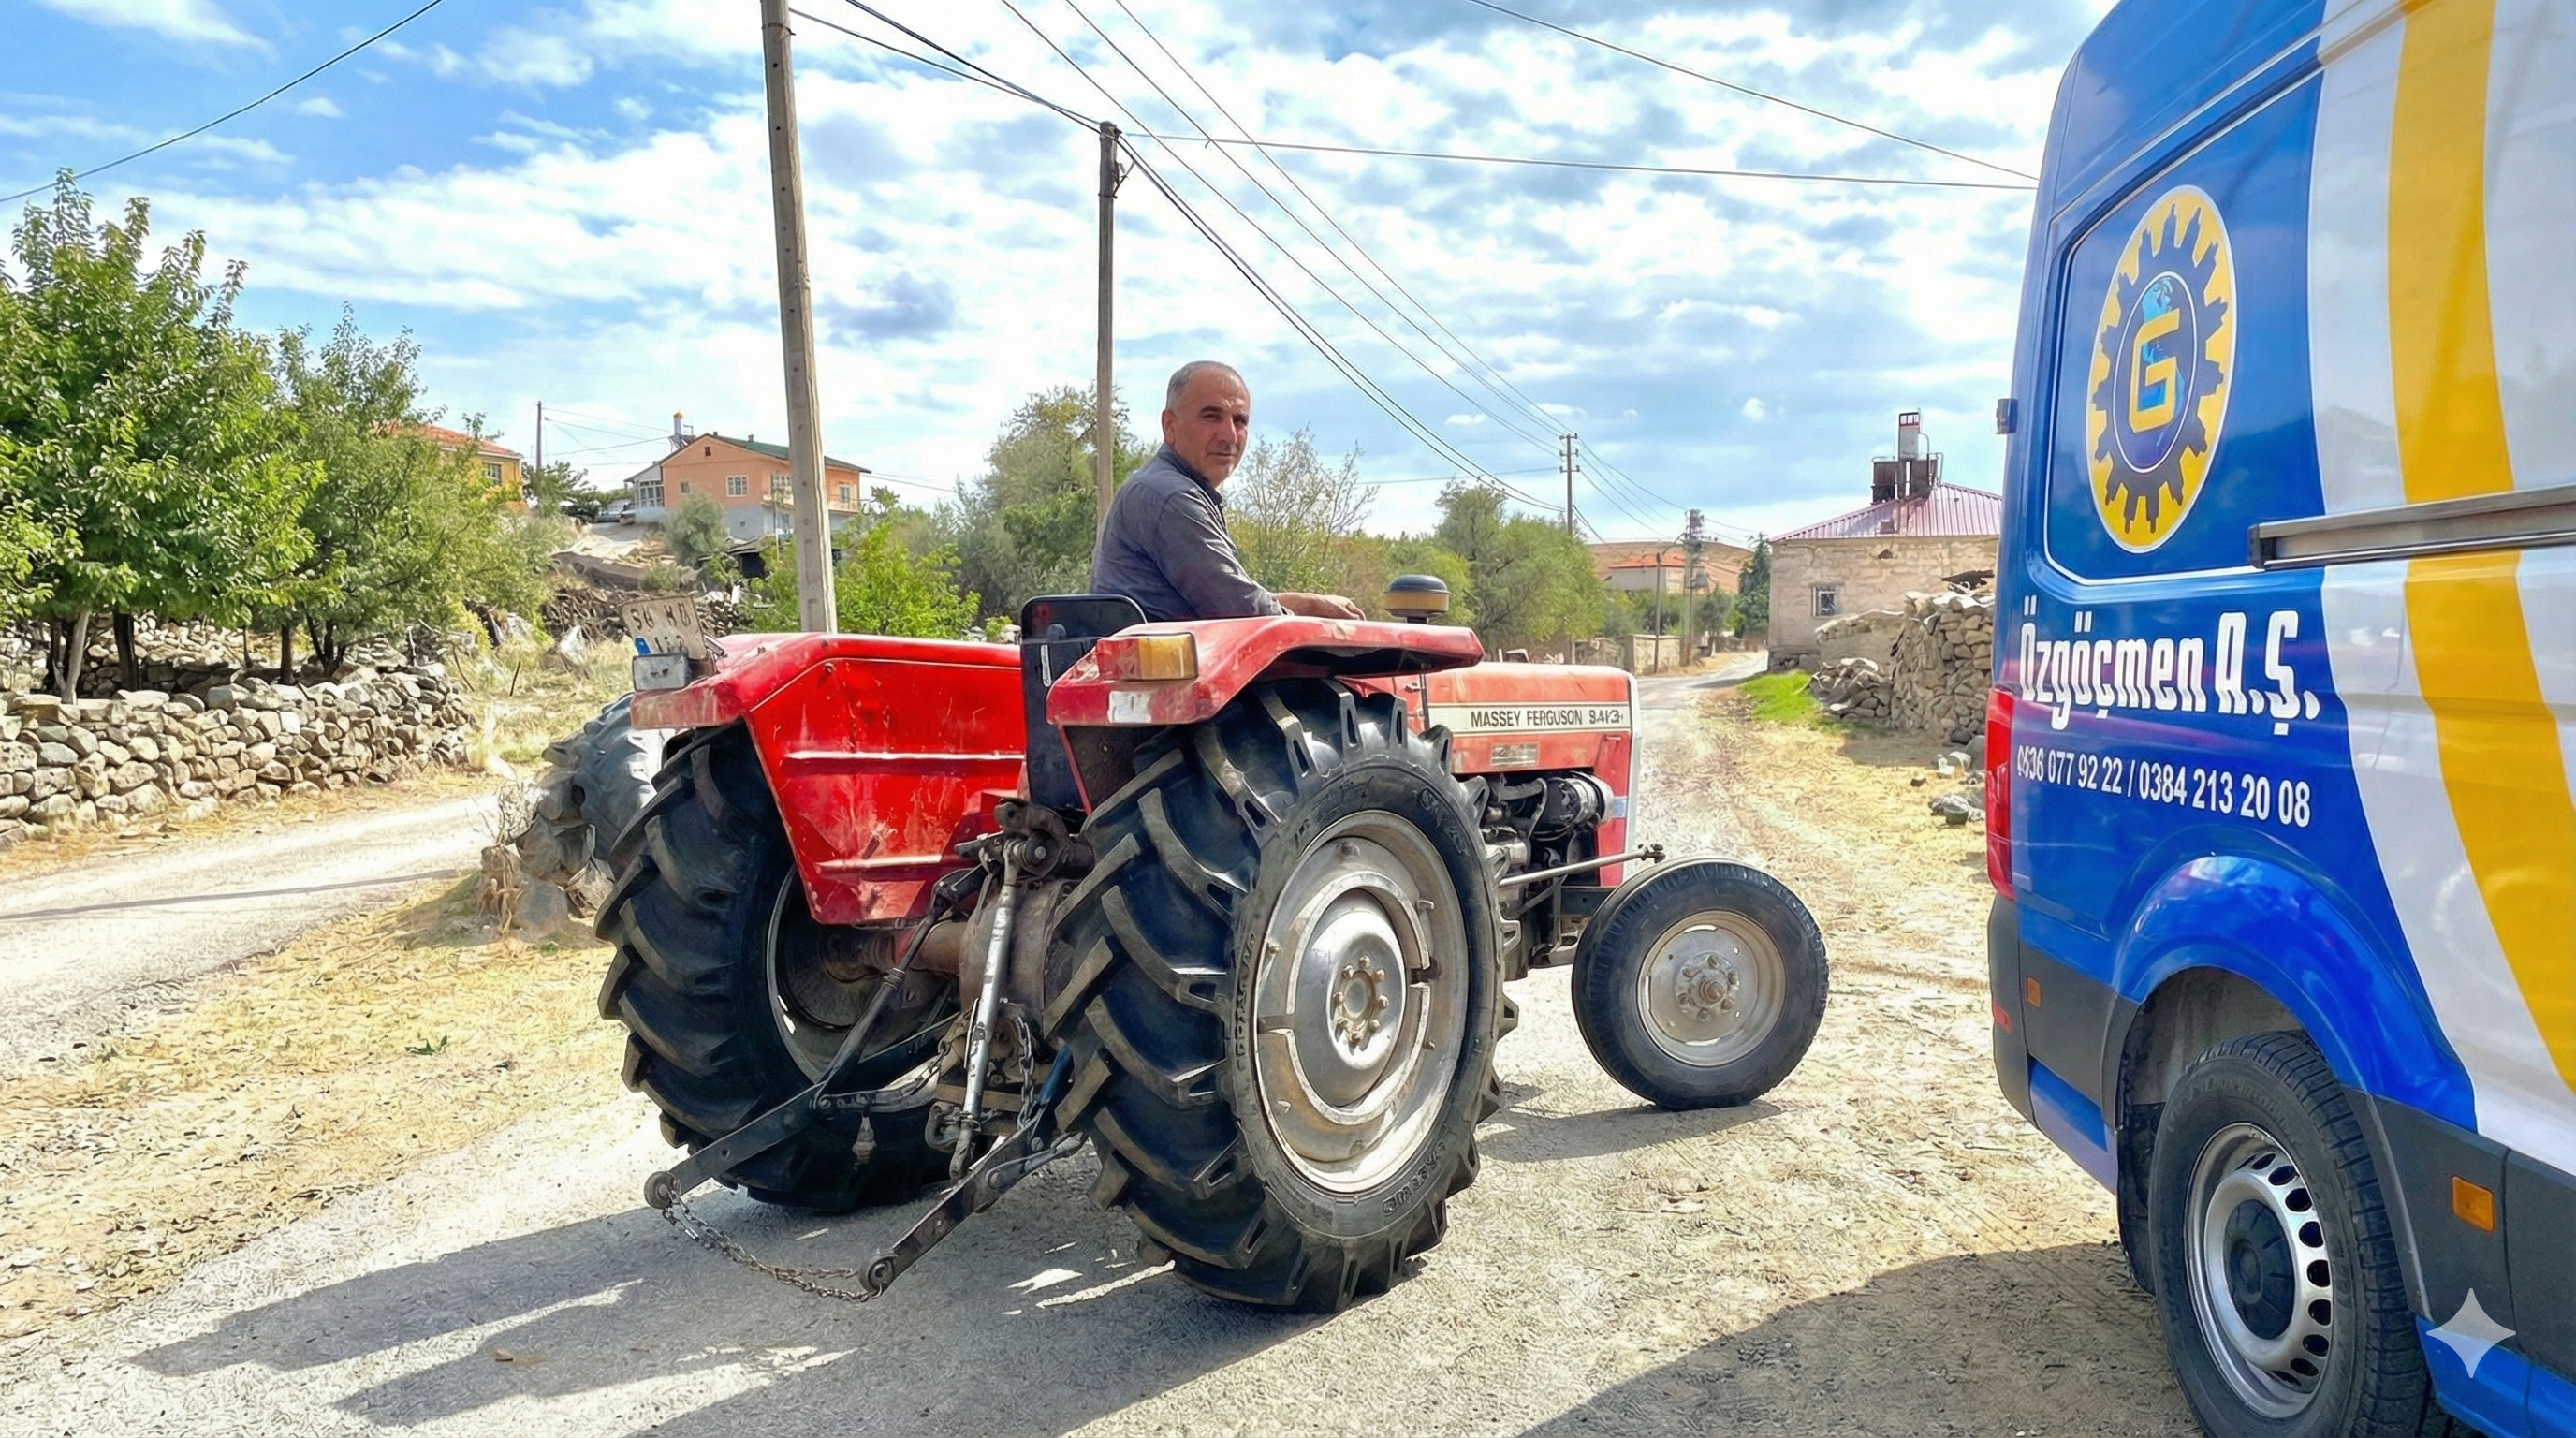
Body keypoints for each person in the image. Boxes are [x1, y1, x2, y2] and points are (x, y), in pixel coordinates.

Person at [1089, 360, 1366, 623]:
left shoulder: (1165, 488)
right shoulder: (1170, 496)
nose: (1229, 436)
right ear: (1170, 426)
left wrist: (1308, 603)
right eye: (1212, 417)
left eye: (1240, 421)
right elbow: (1241, 611)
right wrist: (1320, 630)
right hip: (1165, 670)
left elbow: (1226, 598)